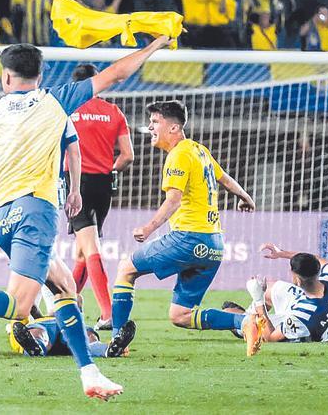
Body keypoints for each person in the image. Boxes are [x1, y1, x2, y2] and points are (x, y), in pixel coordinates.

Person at [0, 38, 174, 400]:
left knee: (65, 290)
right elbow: (115, 74)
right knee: (17, 305)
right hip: (36, 211)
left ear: (5, 78)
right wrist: (154, 44)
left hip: (1, 216)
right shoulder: (55, 101)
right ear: (41, 74)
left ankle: (90, 373)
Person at [107, 100, 256, 354]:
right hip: (214, 245)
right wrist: (246, 197)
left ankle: (117, 341)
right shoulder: (199, 150)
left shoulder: (178, 155)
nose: (150, 127)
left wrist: (149, 227)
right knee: (180, 315)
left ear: (173, 128)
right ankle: (245, 321)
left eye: (155, 122)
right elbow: (224, 179)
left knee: (126, 269)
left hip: (188, 238)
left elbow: (173, 199)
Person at [67, 64, 134, 329]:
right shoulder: (114, 111)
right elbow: (128, 156)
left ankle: (108, 314)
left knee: (90, 247)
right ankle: (68, 300)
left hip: (76, 184)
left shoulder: (67, 111)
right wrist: (109, 167)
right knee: (82, 253)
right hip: (104, 185)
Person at [221, 244, 328, 356]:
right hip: (314, 302)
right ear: (318, 269)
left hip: (305, 323)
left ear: (297, 280)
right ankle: (252, 311)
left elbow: (270, 337)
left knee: (234, 315)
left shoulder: (302, 316)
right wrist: (281, 253)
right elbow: (315, 259)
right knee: (270, 288)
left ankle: (245, 322)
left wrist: (258, 298)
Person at [7, 315, 133, 360]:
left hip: (47, 325)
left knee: (39, 333)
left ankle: (36, 347)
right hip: (65, 322)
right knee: (86, 337)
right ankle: (106, 349)